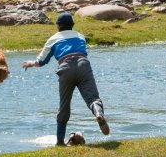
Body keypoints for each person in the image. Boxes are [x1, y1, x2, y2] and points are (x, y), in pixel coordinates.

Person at [22, 12, 109, 146]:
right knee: (92, 98)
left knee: (64, 106)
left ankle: (60, 142)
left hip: (65, 68)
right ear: (72, 25)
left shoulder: (53, 39)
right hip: (83, 64)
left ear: (58, 26)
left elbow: (41, 61)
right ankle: (98, 113)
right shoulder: (80, 37)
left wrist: (31, 63)